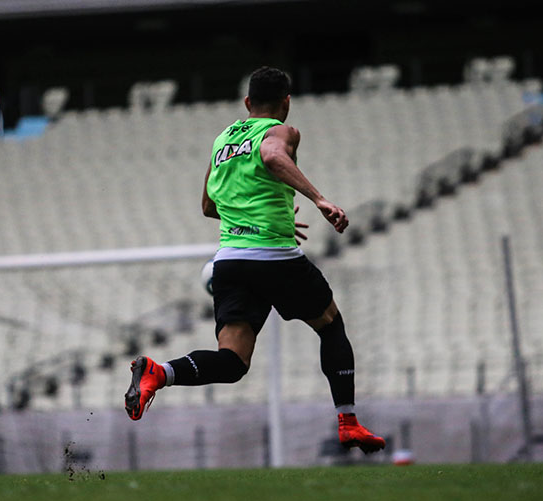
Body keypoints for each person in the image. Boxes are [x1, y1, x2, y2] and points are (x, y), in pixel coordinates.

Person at [125, 66, 385, 453]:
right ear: (286, 103)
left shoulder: (221, 141)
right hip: (275, 257)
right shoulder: (282, 131)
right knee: (331, 326)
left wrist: (267, 217)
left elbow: (208, 205)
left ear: (247, 102)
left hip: (229, 261)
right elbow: (273, 155)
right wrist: (319, 199)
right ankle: (347, 422)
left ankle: (158, 373)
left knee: (232, 363)